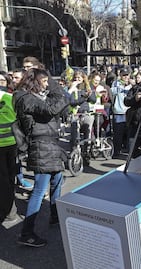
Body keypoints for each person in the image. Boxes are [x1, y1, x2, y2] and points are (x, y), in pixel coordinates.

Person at [13, 68, 68, 247]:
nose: (46, 84)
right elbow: (50, 109)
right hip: (41, 145)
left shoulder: (33, 97)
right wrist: (56, 87)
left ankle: (55, 215)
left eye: (47, 81)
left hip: (50, 144)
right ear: (34, 82)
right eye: (43, 81)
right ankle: (26, 233)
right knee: (39, 190)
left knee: (57, 180)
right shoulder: (25, 98)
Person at [0, 72, 19, 225]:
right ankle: (10, 211)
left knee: (5, 179)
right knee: (9, 178)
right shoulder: (11, 98)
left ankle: (8, 211)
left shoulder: (11, 98)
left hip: (9, 145)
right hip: (11, 143)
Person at [67, 70, 97, 148]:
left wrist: (89, 95)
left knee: (88, 134)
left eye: (79, 78)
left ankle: (87, 150)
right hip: (75, 114)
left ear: (83, 78)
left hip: (86, 113)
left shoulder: (88, 86)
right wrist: (84, 97)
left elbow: (93, 100)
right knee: (75, 135)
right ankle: (75, 151)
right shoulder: (72, 87)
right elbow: (72, 102)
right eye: (75, 78)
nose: (77, 79)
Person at [111, 67, 132, 156]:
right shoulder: (116, 83)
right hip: (119, 112)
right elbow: (112, 92)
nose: (125, 77)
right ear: (120, 75)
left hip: (129, 112)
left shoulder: (132, 85)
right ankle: (116, 151)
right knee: (118, 134)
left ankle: (129, 152)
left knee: (129, 133)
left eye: (127, 75)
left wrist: (131, 85)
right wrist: (121, 86)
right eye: (124, 75)